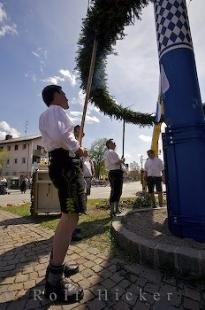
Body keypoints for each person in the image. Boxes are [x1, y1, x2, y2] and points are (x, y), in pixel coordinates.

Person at [39, 85, 86, 303]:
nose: (67, 97)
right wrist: (77, 147)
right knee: (70, 217)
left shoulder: (46, 115)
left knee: (67, 217)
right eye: (64, 93)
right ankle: (54, 279)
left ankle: (56, 262)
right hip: (65, 164)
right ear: (56, 95)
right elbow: (61, 135)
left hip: (60, 163)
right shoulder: (57, 111)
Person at [104, 139, 125, 217]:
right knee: (116, 191)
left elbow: (116, 162)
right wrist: (122, 160)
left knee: (118, 191)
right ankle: (112, 211)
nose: (115, 144)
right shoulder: (110, 152)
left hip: (116, 173)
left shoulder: (111, 152)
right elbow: (116, 162)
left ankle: (116, 209)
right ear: (109, 144)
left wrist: (120, 160)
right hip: (115, 173)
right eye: (113, 143)